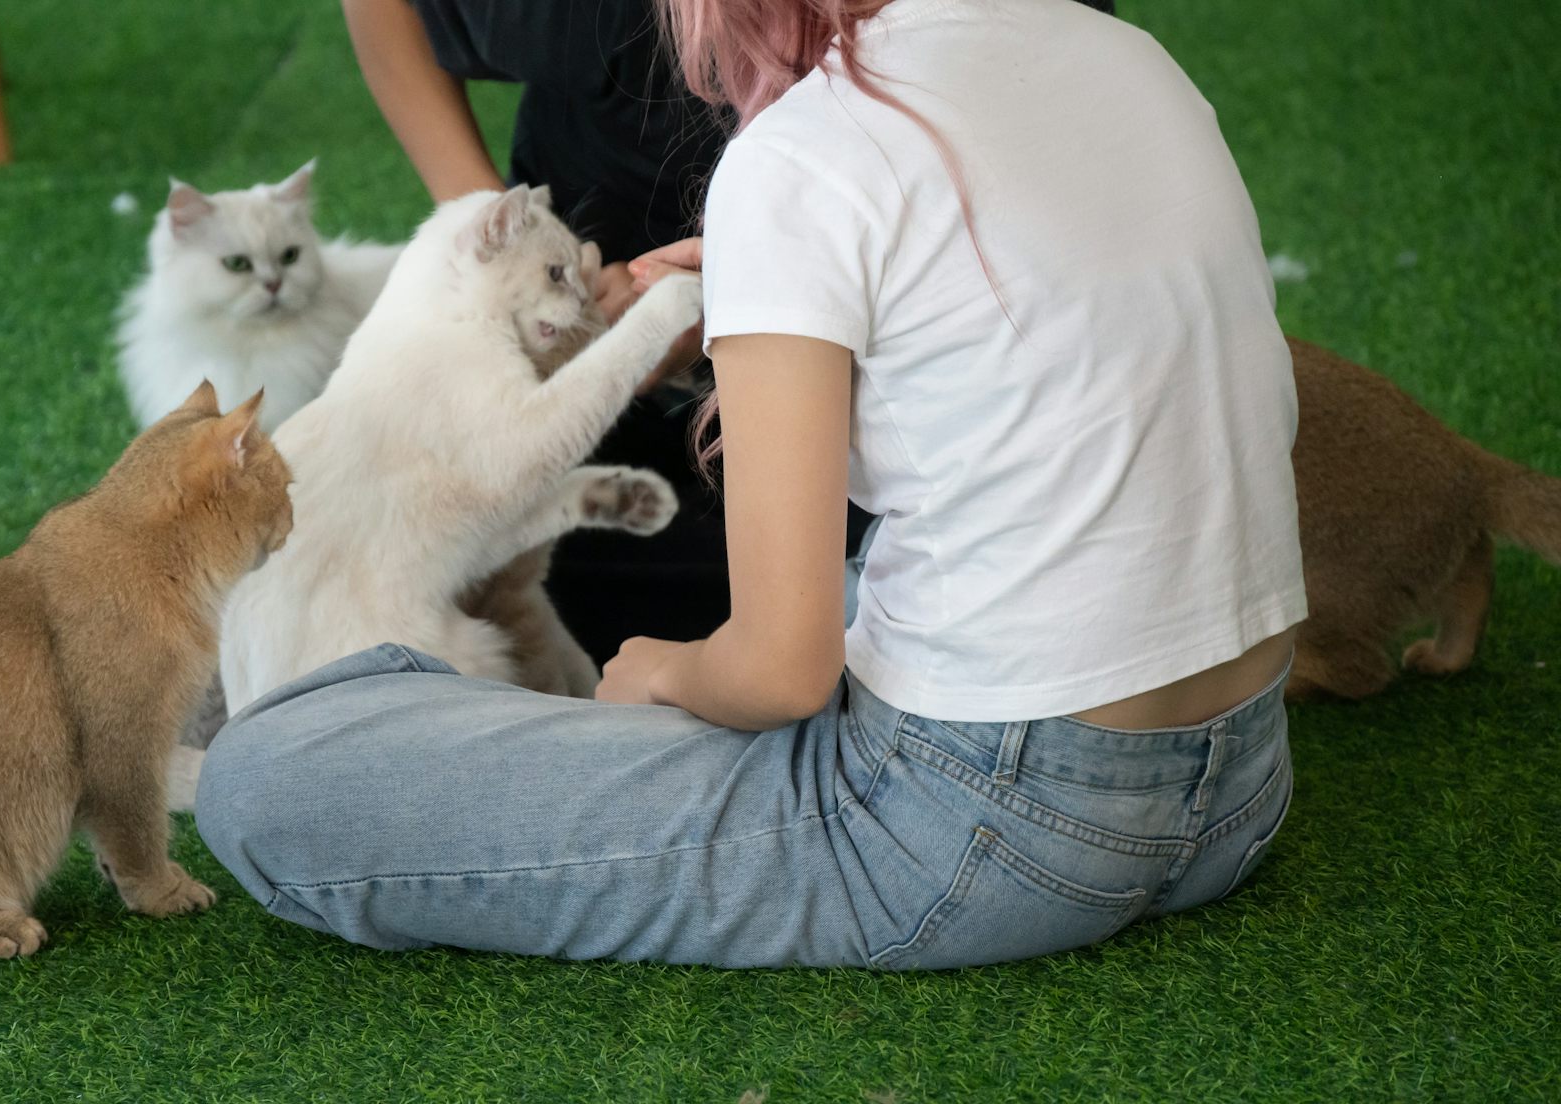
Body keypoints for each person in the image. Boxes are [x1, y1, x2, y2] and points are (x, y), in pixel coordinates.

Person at [197, 0, 1304, 970]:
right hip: (1244, 783)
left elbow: (780, 676)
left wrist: (662, 677)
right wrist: (770, 289)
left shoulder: (807, 153)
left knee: (267, 780)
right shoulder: (1127, 54)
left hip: (990, 825)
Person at [339, 0, 1112, 661]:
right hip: (632, 322)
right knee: (530, 560)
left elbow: (780, 671)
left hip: (895, 332)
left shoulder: (845, 133)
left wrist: (757, 298)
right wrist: (504, 240)